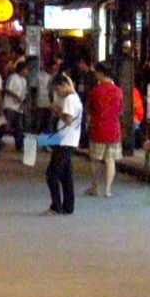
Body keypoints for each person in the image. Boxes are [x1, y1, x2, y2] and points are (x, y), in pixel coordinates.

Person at [41, 71, 82, 216]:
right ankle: (68, 206)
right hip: (69, 139)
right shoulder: (75, 97)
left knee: (52, 174)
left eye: (58, 89)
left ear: (64, 85)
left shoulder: (70, 99)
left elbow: (68, 119)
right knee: (66, 175)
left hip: (65, 141)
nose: (58, 93)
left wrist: (58, 111)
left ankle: (56, 206)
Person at [85, 62, 123, 198]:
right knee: (110, 159)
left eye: (96, 73)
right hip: (113, 128)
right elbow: (120, 110)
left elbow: (90, 110)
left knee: (95, 159)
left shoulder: (96, 91)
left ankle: (95, 187)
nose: (95, 75)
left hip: (98, 127)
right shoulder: (118, 91)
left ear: (101, 74)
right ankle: (108, 190)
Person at [2, 59, 27, 152]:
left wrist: (22, 103)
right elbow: (8, 90)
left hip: (18, 107)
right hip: (10, 105)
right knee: (6, 125)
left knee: (19, 127)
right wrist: (16, 97)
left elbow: (24, 94)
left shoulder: (24, 80)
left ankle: (19, 145)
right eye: (25, 69)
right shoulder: (13, 77)